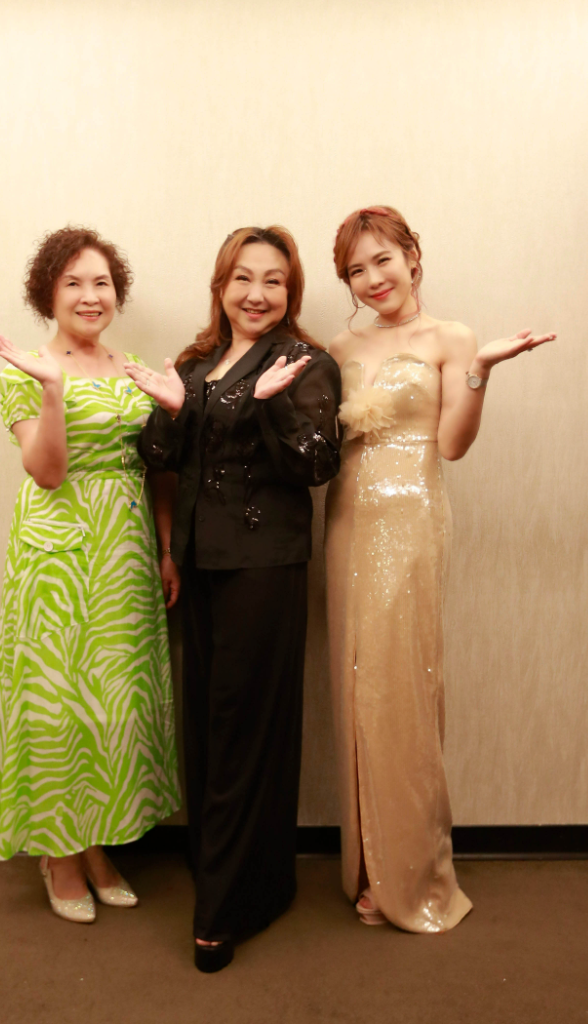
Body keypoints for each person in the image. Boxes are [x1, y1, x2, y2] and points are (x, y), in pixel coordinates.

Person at [324, 205, 555, 932]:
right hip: (346, 520)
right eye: (356, 270)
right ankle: (368, 866)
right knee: (353, 684)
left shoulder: (451, 338)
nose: (372, 278)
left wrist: (480, 372)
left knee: (401, 687)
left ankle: (411, 873)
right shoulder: (339, 346)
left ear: (412, 257)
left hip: (412, 519)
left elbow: (452, 445)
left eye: (382, 260)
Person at [123, 226, 341, 970]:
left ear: (291, 292)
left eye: (273, 280)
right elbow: (160, 459)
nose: (256, 293)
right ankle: (243, 875)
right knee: (209, 729)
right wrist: (170, 411)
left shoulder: (304, 362)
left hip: (264, 567)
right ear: (220, 287)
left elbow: (316, 464)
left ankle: (222, 910)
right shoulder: (194, 364)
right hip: (200, 564)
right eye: (242, 278)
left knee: (245, 727)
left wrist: (273, 406)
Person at [0, 226, 181, 923]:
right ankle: (59, 853)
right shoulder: (24, 369)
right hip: (56, 553)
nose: (89, 295)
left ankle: (96, 842)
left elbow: (158, 468)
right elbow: (46, 472)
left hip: (124, 550)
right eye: (73, 282)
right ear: (48, 293)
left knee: (113, 699)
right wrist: (52, 392)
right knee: (57, 699)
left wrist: (165, 548)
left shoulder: (135, 369)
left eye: (101, 282)